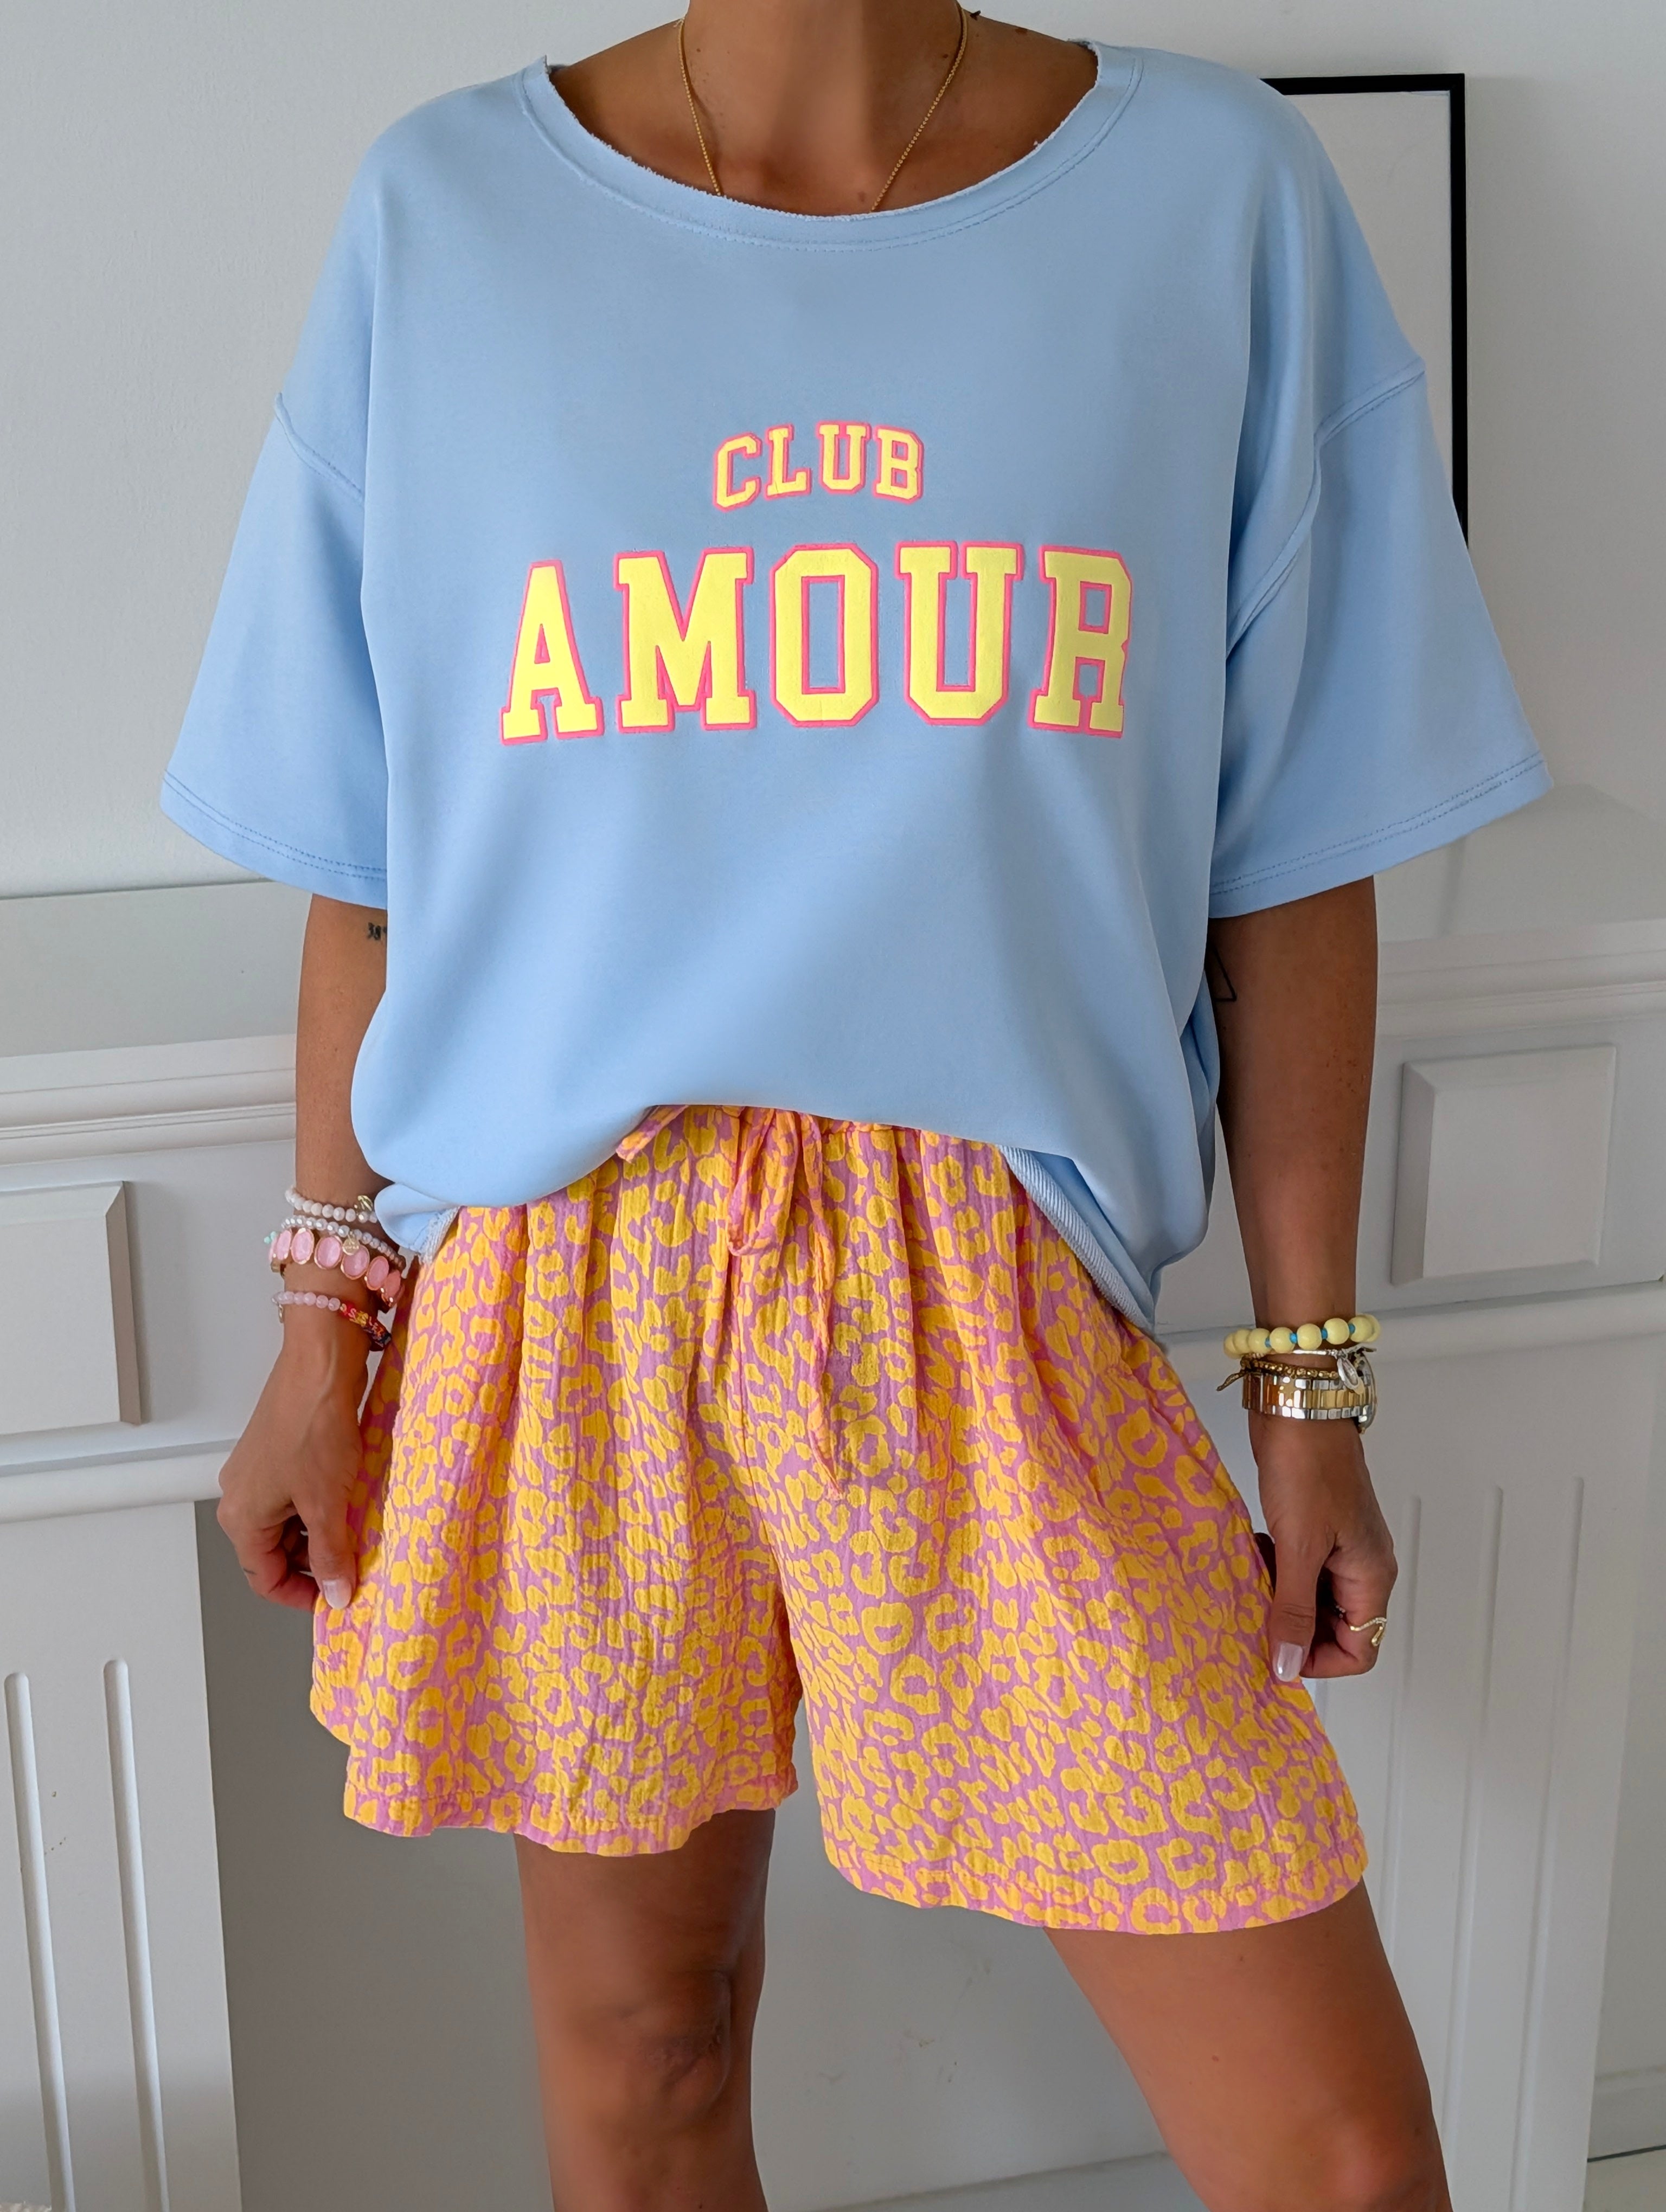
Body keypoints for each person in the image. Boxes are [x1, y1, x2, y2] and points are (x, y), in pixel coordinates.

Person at [162, 5, 1549, 2205]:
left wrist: (1311, 1390)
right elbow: (374, 857)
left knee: (1343, 2155)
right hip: (567, 1281)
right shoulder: (448, 214)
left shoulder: (1215, 200)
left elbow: (1296, 848)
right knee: (650, 2058)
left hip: (997, 1280)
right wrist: (322, 1332)